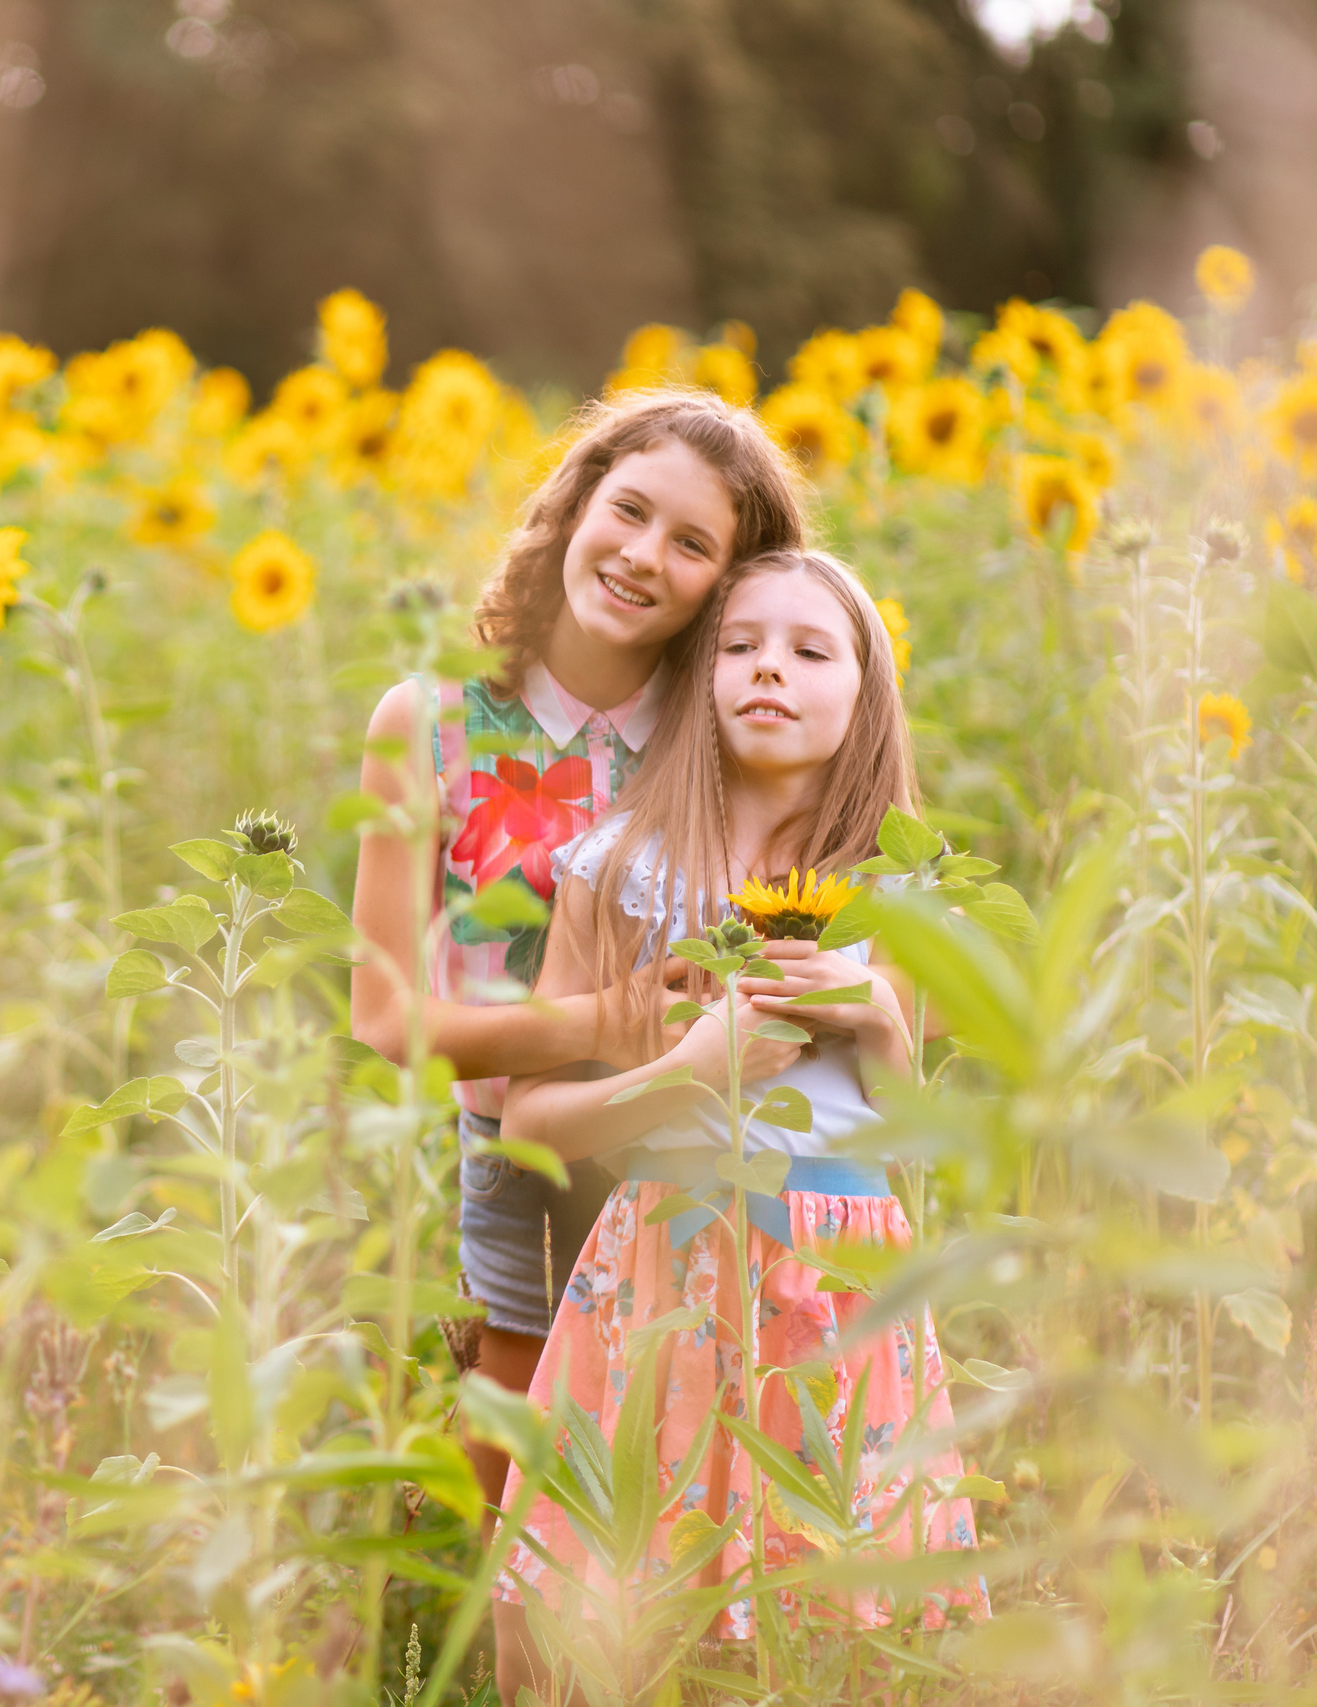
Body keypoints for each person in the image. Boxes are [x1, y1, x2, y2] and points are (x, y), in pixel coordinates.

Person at [493, 548, 984, 1695]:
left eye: (810, 651)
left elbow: (918, 1144)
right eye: (740, 645)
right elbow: (531, 1121)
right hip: (664, 1271)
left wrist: (878, 1019)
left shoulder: (900, 892)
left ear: (866, 696)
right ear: (696, 677)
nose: (770, 669)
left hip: (837, 1275)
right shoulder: (622, 869)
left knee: (826, 1608)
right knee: (608, 1603)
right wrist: (685, 1075)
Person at [349, 389, 813, 1520]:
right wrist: (610, 1019)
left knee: (689, 1448)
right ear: (575, 503)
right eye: (631, 510)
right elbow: (385, 1021)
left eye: (693, 544)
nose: (644, 555)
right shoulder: (432, 724)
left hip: (698, 1141)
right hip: (520, 1157)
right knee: (514, 1445)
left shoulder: (721, 727)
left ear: (730, 586)